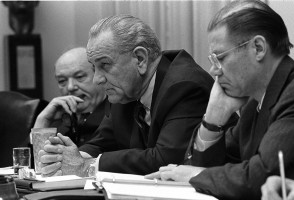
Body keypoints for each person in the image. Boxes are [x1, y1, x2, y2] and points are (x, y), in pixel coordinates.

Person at [37, 14, 229, 177]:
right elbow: (102, 143)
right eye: (94, 67)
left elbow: (167, 160)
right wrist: (66, 157)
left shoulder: (184, 86)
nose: (97, 79)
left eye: (104, 65)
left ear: (140, 59)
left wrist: (88, 166)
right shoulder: (125, 91)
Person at [146, 1, 294, 200]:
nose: (214, 70)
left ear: (258, 48)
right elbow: (214, 169)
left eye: (220, 57)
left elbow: (261, 176)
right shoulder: (254, 104)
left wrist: (196, 175)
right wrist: (213, 119)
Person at [33, 47, 107, 148]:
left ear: (99, 75)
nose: (70, 87)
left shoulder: (115, 115)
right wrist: (42, 121)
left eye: (79, 77)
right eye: (62, 81)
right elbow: (26, 160)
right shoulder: (59, 119)